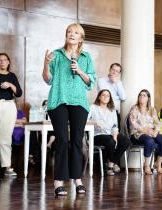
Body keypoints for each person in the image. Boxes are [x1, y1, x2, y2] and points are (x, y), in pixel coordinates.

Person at [42, 23, 96, 196]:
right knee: (62, 140)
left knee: (77, 141)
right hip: (59, 100)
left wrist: (79, 71)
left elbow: (90, 82)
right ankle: (59, 180)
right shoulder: (56, 55)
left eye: (76, 32)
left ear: (81, 38)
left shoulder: (86, 57)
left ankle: (77, 178)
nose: (72, 34)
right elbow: (48, 79)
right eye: (69, 32)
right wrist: (46, 63)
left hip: (79, 102)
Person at [87, 89, 131, 175]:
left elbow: (115, 125)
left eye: (108, 96)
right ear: (99, 97)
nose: (105, 97)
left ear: (110, 98)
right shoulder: (93, 107)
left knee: (126, 141)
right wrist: (95, 122)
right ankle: (110, 167)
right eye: (103, 95)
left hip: (110, 134)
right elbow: (85, 120)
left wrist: (115, 136)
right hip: (97, 135)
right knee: (110, 141)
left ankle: (111, 163)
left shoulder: (112, 110)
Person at [129, 89, 162, 175]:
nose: (141, 97)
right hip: (138, 134)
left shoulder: (152, 109)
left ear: (148, 98)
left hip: (151, 132)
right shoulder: (134, 108)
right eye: (140, 95)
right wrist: (146, 130)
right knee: (149, 140)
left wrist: (156, 130)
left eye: (144, 95)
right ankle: (147, 165)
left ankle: (158, 163)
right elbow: (133, 124)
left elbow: (157, 122)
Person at [97, 63, 126, 128]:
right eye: (113, 69)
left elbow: (123, 97)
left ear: (119, 74)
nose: (114, 72)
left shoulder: (119, 83)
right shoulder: (101, 80)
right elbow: (105, 96)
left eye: (117, 71)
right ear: (109, 69)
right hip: (102, 111)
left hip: (114, 112)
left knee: (115, 133)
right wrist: (117, 97)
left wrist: (116, 83)